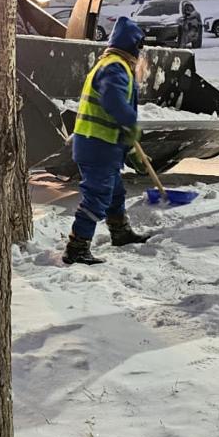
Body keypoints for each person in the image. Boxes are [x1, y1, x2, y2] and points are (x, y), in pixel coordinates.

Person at [63, 16, 152, 265]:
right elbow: (113, 102)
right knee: (98, 195)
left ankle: (120, 232)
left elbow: (119, 121)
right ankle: (77, 246)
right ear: (133, 47)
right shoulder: (114, 67)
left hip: (100, 144)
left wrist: (134, 155)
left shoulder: (113, 64)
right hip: (96, 145)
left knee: (114, 192)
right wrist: (131, 122)